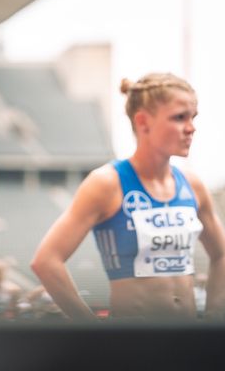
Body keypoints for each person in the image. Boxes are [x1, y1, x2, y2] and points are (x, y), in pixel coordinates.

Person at [31, 73, 225, 321]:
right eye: (179, 117)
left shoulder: (192, 184)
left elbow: (221, 255)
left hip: (185, 341)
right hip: (131, 346)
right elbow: (46, 261)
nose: (191, 128)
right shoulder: (106, 183)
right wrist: (90, 329)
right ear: (143, 122)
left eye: (193, 117)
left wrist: (213, 317)